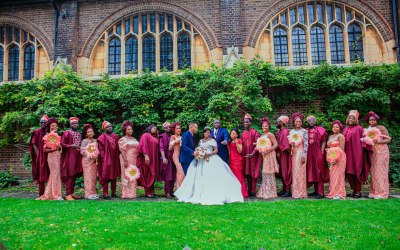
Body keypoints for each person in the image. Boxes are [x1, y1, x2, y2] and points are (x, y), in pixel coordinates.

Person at [174, 127, 243, 205]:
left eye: (208, 132)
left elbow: (216, 150)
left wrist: (209, 154)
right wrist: (199, 152)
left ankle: (211, 193)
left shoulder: (212, 140)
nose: (207, 134)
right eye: (205, 132)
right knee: (198, 176)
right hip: (201, 160)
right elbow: (199, 148)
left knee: (209, 176)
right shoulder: (200, 141)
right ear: (203, 133)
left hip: (210, 159)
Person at [343, 110, 370, 198]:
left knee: (356, 171)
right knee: (349, 172)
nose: (351, 119)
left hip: (357, 153)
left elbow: (364, 141)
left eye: (353, 118)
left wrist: (362, 151)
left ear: (356, 119)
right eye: (350, 117)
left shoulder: (359, 128)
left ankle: (358, 191)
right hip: (347, 153)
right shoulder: (346, 128)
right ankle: (353, 190)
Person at [365, 111, 391, 199]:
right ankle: (374, 192)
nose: (371, 122)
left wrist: (379, 141)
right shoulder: (368, 129)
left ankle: (382, 192)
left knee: (381, 171)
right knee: (373, 172)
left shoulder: (381, 128)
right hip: (373, 151)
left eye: (373, 120)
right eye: (370, 120)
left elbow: (388, 139)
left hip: (381, 151)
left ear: (376, 120)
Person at [37, 118, 63, 200]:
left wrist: (59, 148)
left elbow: (59, 147)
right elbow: (45, 150)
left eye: (56, 125)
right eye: (53, 126)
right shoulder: (47, 136)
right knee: (55, 174)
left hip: (58, 156)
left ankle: (51, 193)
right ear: (50, 127)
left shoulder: (58, 136)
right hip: (52, 157)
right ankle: (55, 194)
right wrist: (55, 149)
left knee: (56, 174)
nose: (55, 127)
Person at [255, 118, 279, 199]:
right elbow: (260, 145)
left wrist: (268, 151)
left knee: (269, 172)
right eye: (263, 126)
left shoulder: (270, 134)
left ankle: (271, 191)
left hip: (270, 155)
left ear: (269, 126)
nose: (264, 127)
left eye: (266, 126)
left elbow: (276, 144)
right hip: (264, 156)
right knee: (265, 172)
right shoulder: (262, 136)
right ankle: (266, 190)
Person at [306, 115, 329, 199]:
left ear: (315, 121)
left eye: (312, 120)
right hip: (309, 153)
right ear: (307, 122)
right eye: (309, 120)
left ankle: (321, 192)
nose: (311, 122)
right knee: (312, 170)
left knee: (319, 171)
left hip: (318, 152)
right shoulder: (306, 131)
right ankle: (316, 190)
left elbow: (324, 141)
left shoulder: (320, 129)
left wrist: (322, 151)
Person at [60, 117, 83, 200]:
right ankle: (67, 194)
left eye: (76, 123)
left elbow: (80, 145)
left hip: (77, 156)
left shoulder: (79, 134)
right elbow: (61, 143)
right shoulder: (66, 133)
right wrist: (70, 145)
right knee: (70, 174)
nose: (75, 125)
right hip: (69, 156)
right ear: (70, 125)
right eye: (73, 123)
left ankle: (72, 193)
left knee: (74, 174)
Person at [97, 121, 121, 199]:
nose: (110, 127)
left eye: (110, 126)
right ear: (104, 128)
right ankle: (105, 193)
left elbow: (118, 148)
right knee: (105, 176)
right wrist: (104, 159)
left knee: (114, 176)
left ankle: (113, 193)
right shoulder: (102, 137)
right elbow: (101, 149)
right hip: (106, 159)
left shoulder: (116, 136)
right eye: (108, 126)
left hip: (114, 159)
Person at [241, 113, 262, 198]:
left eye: (247, 122)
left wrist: (253, 153)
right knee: (247, 173)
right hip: (246, 157)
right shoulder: (242, 133)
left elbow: (259, 144)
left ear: (250, 123)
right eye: (244, 122)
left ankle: (253, 191)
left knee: (253, 173)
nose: (245, 124)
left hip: (253, 157)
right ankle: (249, 190)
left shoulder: (255, 132)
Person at [325, 120, 347, 200]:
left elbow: (341, 148)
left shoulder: (341, 136)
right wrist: (331, 158)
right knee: (332, 175)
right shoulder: (330, 136)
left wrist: (336, 159)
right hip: (332, 156)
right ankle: (333, 192)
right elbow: (329, 147)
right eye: (333, 126)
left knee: (339, 175)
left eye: (337, 127)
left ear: (340, 128)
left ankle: (339, 193)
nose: (335, 128)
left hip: (339, 157)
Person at [137, 124, 160, 198]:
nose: (155, 130)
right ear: (149, 128)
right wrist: (146, 155)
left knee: (153, 174)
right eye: (154, 128)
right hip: (147, 158)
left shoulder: (155, 137)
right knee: (147, 174)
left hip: (154, 159)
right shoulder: (145, 135)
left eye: (156, 129)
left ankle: (152, 191)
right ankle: (147, 192)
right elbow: (143, 145)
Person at [289, 112, 308, 199]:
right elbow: (291, 143)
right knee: (295, 172)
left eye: (300, 121)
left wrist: (304, 154)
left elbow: (306, 144)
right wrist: (292, 144)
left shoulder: (304, 131)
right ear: (294, 122)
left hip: (301, 152)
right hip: (294, 152)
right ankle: (295, 192)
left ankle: (301, 192)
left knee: (301, 172)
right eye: (296, 121)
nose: (298, 123)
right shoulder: (292, 131)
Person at [29, 115, 49, 197]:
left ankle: (48, 193)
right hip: (40, 156)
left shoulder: (49, 133)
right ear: (39, 124)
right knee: (41, 174)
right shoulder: (36, 132)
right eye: (41, 123)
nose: (43, 124)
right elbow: (33, 143)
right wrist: (38, 154)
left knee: (49, 174)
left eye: (44, 123)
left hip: (49, 155)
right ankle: (41, 193)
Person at [119, 121, 139, 199]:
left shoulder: (134, 139)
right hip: (126, 158)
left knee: (133, 174)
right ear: (125, 131)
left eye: (131, 129)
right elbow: (122, 150)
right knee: (126, 174)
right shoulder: (122, 139)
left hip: (134, 158)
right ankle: (125, 193)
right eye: (128, 130)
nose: (130, 131)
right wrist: (125, 160)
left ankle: (132, 193)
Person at [228, 128, 248, 198]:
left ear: (237, 135)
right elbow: (229, 151)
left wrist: (237, 143)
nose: (232, 135)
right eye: (231, 133)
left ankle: (243, 193)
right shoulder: (229, 141)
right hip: (231, 161)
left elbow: (240, 151)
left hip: (238, 161)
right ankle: (234, 192)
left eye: (234, 133)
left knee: (239, 176)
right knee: (233, 177)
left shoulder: (239, 140)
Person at [80, 124, 99, 199]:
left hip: (94, 161)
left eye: (91, 132)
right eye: (88, 132)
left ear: (93, 133)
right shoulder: (84, 141)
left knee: (93, 177)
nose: (90, 133)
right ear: (86, 134)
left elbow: (97, 150)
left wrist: (95, 155)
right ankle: (88, 194)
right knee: (88, 176)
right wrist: (89, 154)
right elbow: (82, 151)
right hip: (86, 160)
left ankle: (93, 192)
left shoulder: (96, 141)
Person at [275, 115, 292, 197]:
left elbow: (285, 145)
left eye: (279, 121)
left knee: (285, 172)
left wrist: (279, 152)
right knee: (281, 172)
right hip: (279, 155)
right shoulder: (278, 132)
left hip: (284, 155)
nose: (277, 122)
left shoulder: (285, 131)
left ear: (282, 122)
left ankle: (288, 190)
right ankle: (284, 189)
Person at [159, 122, 176, 198]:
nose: (168, 128)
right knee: (168, 176)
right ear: (164, 129)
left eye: (169, 127)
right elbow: (161, 148)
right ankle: (167, 192)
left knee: (173, 175)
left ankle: (172, 191)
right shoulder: (162, 136)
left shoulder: (173, 136)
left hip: (174, 157)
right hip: (166, 158)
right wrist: (164, 158)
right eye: (166, 127)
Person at [169, 122, 184, 188]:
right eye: (177, 128)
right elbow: (169, 149)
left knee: (179, 172)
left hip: (182, 156)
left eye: (180, 128)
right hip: (176, 156)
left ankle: (178, 189)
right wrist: (175, 142)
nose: (179, 129)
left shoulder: (182, 137)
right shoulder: (173, 137)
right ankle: (180, 188)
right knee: (181, 171)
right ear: (174, 130)